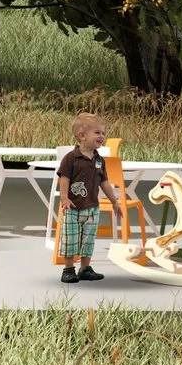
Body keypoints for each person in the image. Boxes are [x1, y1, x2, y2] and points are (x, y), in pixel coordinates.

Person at [53, 113, 108, 284]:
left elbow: (104, 181)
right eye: (97, 133)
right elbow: (64, 178)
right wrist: (64, 198)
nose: (101, 136)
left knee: (88, 239)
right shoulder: (71, 158)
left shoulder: (99, 160)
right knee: (70, 238)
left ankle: (85, 268)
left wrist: (114, 201)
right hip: (73, 207)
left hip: (92, 207)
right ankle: (68, 269)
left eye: (103, 133)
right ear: (82, 136)